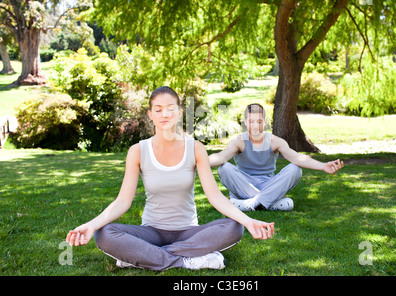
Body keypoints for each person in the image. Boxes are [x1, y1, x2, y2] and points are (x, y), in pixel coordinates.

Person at [66, 87, 274, 271]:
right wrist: (91, 225)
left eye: (170, 108)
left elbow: (215, 197)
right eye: (158, 109)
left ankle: (142, 256)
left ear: (179, 112)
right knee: (104, 234)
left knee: (234, 227)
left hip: (189, 234)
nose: (164, 114)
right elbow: (123, 202)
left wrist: (248, 221)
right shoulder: (137, 151)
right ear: (150, 114)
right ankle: (186, 260)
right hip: (151, 232)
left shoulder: (195, 148)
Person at [208, 103, 344, 212]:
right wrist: (197, 161)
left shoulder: (274, 141)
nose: (255, 126)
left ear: (265, 121)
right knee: (224, 168)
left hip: (269, 185)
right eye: (251, 121)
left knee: (295, 169)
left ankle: (248, 203)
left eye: (259, 121)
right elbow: (220, 157)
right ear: (245, 122)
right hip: (244, 184)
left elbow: (297, 158)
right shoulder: (239, 141)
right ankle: (269, 203)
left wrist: (323, 166)